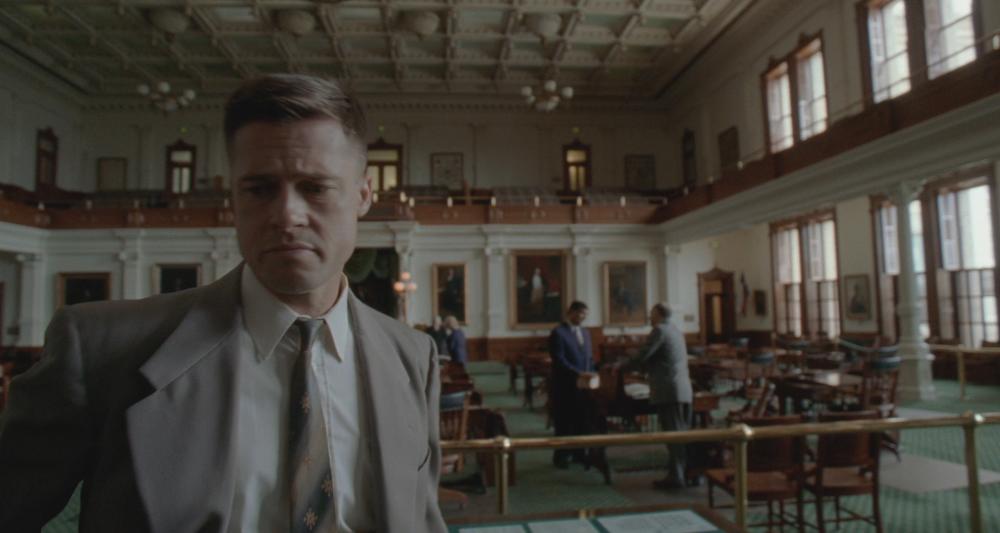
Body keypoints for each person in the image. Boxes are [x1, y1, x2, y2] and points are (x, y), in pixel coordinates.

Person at [0, 74, 447, 533]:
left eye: (315, 187)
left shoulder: (413, 357)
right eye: (259, 189)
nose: (287, 214)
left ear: (363, 196)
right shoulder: (101, 350)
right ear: (233, 197)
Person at [623, 303, 693, 489]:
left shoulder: (659, 330)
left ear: (660, 315)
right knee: (680, 434)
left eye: (652, 314)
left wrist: (622, 365)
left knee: (674, 436)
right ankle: (682, 473)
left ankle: (677, 477)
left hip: (669, 390)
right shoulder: (675, 330)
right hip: (681, 389)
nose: (649, 317)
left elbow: (644, 355)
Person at [548, 300, 594, 468]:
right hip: (564, 385)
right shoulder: (558, 333)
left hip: (584, 385)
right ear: (571, 312)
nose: (583, 317)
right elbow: (559, 360)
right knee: (564, 422)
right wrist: (578, 373)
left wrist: (591, 372)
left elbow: (589, 358)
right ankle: (561, 457)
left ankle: (579, 454)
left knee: (582, 420)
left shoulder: (586, 332)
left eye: (586, 315)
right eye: (581, 314)